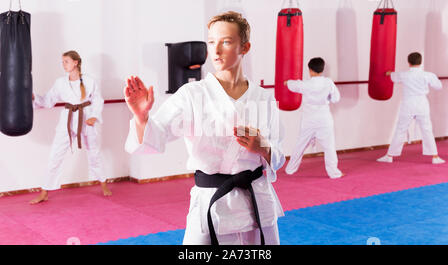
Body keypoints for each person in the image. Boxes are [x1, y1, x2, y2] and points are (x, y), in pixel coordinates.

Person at [124, 11, 285, 245]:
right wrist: (141, 117)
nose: (216, 50)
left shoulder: (264, 99)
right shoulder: (192, 95)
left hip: (257, 204)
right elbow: (154, 138)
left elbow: (278, 158)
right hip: (211, 204)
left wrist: (264, 148)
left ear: (245, 47)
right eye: (211, 42)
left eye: (226, 42)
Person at [30, 50, 111, 204]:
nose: (63, 65)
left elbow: (98, 100)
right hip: (67, 119)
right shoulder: (60, 82)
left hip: (86, 118)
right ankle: (44, 192)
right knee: (55, 155)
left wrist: (94, 116)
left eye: (66, 61)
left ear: (75, 62)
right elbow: (48, 101)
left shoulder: (90, 81)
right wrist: (34, 97)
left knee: (94, 153)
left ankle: (103, 185)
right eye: (62, 62)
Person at [377, 52, 445, 164]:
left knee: (400, 129)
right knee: (427, 129)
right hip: (421, 103)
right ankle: (435, 156)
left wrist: (389, 73)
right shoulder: (427, 75)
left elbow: (392, 76)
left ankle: (389, 156)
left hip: (408, 104)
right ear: (420, 62)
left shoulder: (403, 74)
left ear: (408, 62)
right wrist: (432, 79)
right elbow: (438, 86)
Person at [284, 57, 343, 179]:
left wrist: (286, 82)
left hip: (309, 120)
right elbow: (336, 99)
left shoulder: (305, 84)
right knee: (329, 147)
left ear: (310, 70)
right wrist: (328, 98)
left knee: (301, 144)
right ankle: (334, 173)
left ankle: (290, 169)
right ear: (322, 69)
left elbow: (292, 84)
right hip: (324, 119)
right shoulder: (328, 82)